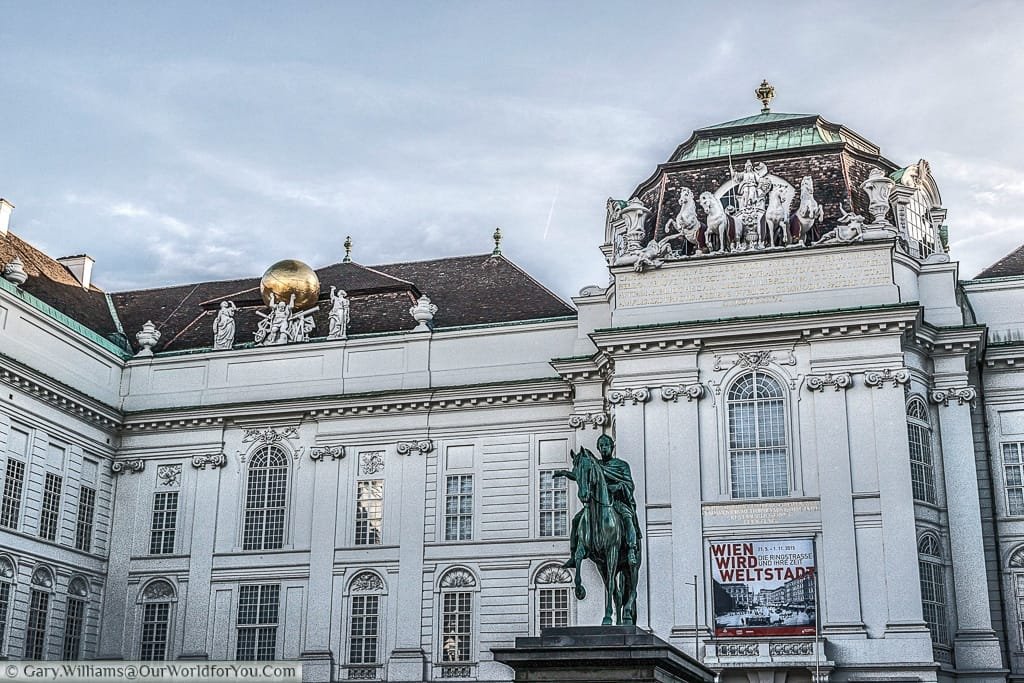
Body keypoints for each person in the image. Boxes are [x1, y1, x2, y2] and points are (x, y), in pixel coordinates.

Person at [560, 434, 642, 568]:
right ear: (598, 448)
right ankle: (573, 555)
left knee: (628, 518)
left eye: (606, 446)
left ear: (612, 447)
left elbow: (629, 484)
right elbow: (580, 475)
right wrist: (564, 473)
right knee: (576, 520)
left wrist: (618, 486)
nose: (604, 448)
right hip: (598, 504)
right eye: (601, 446)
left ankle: (632, 548)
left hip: (617, 501)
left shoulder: (621, 465)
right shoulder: (595, 465)